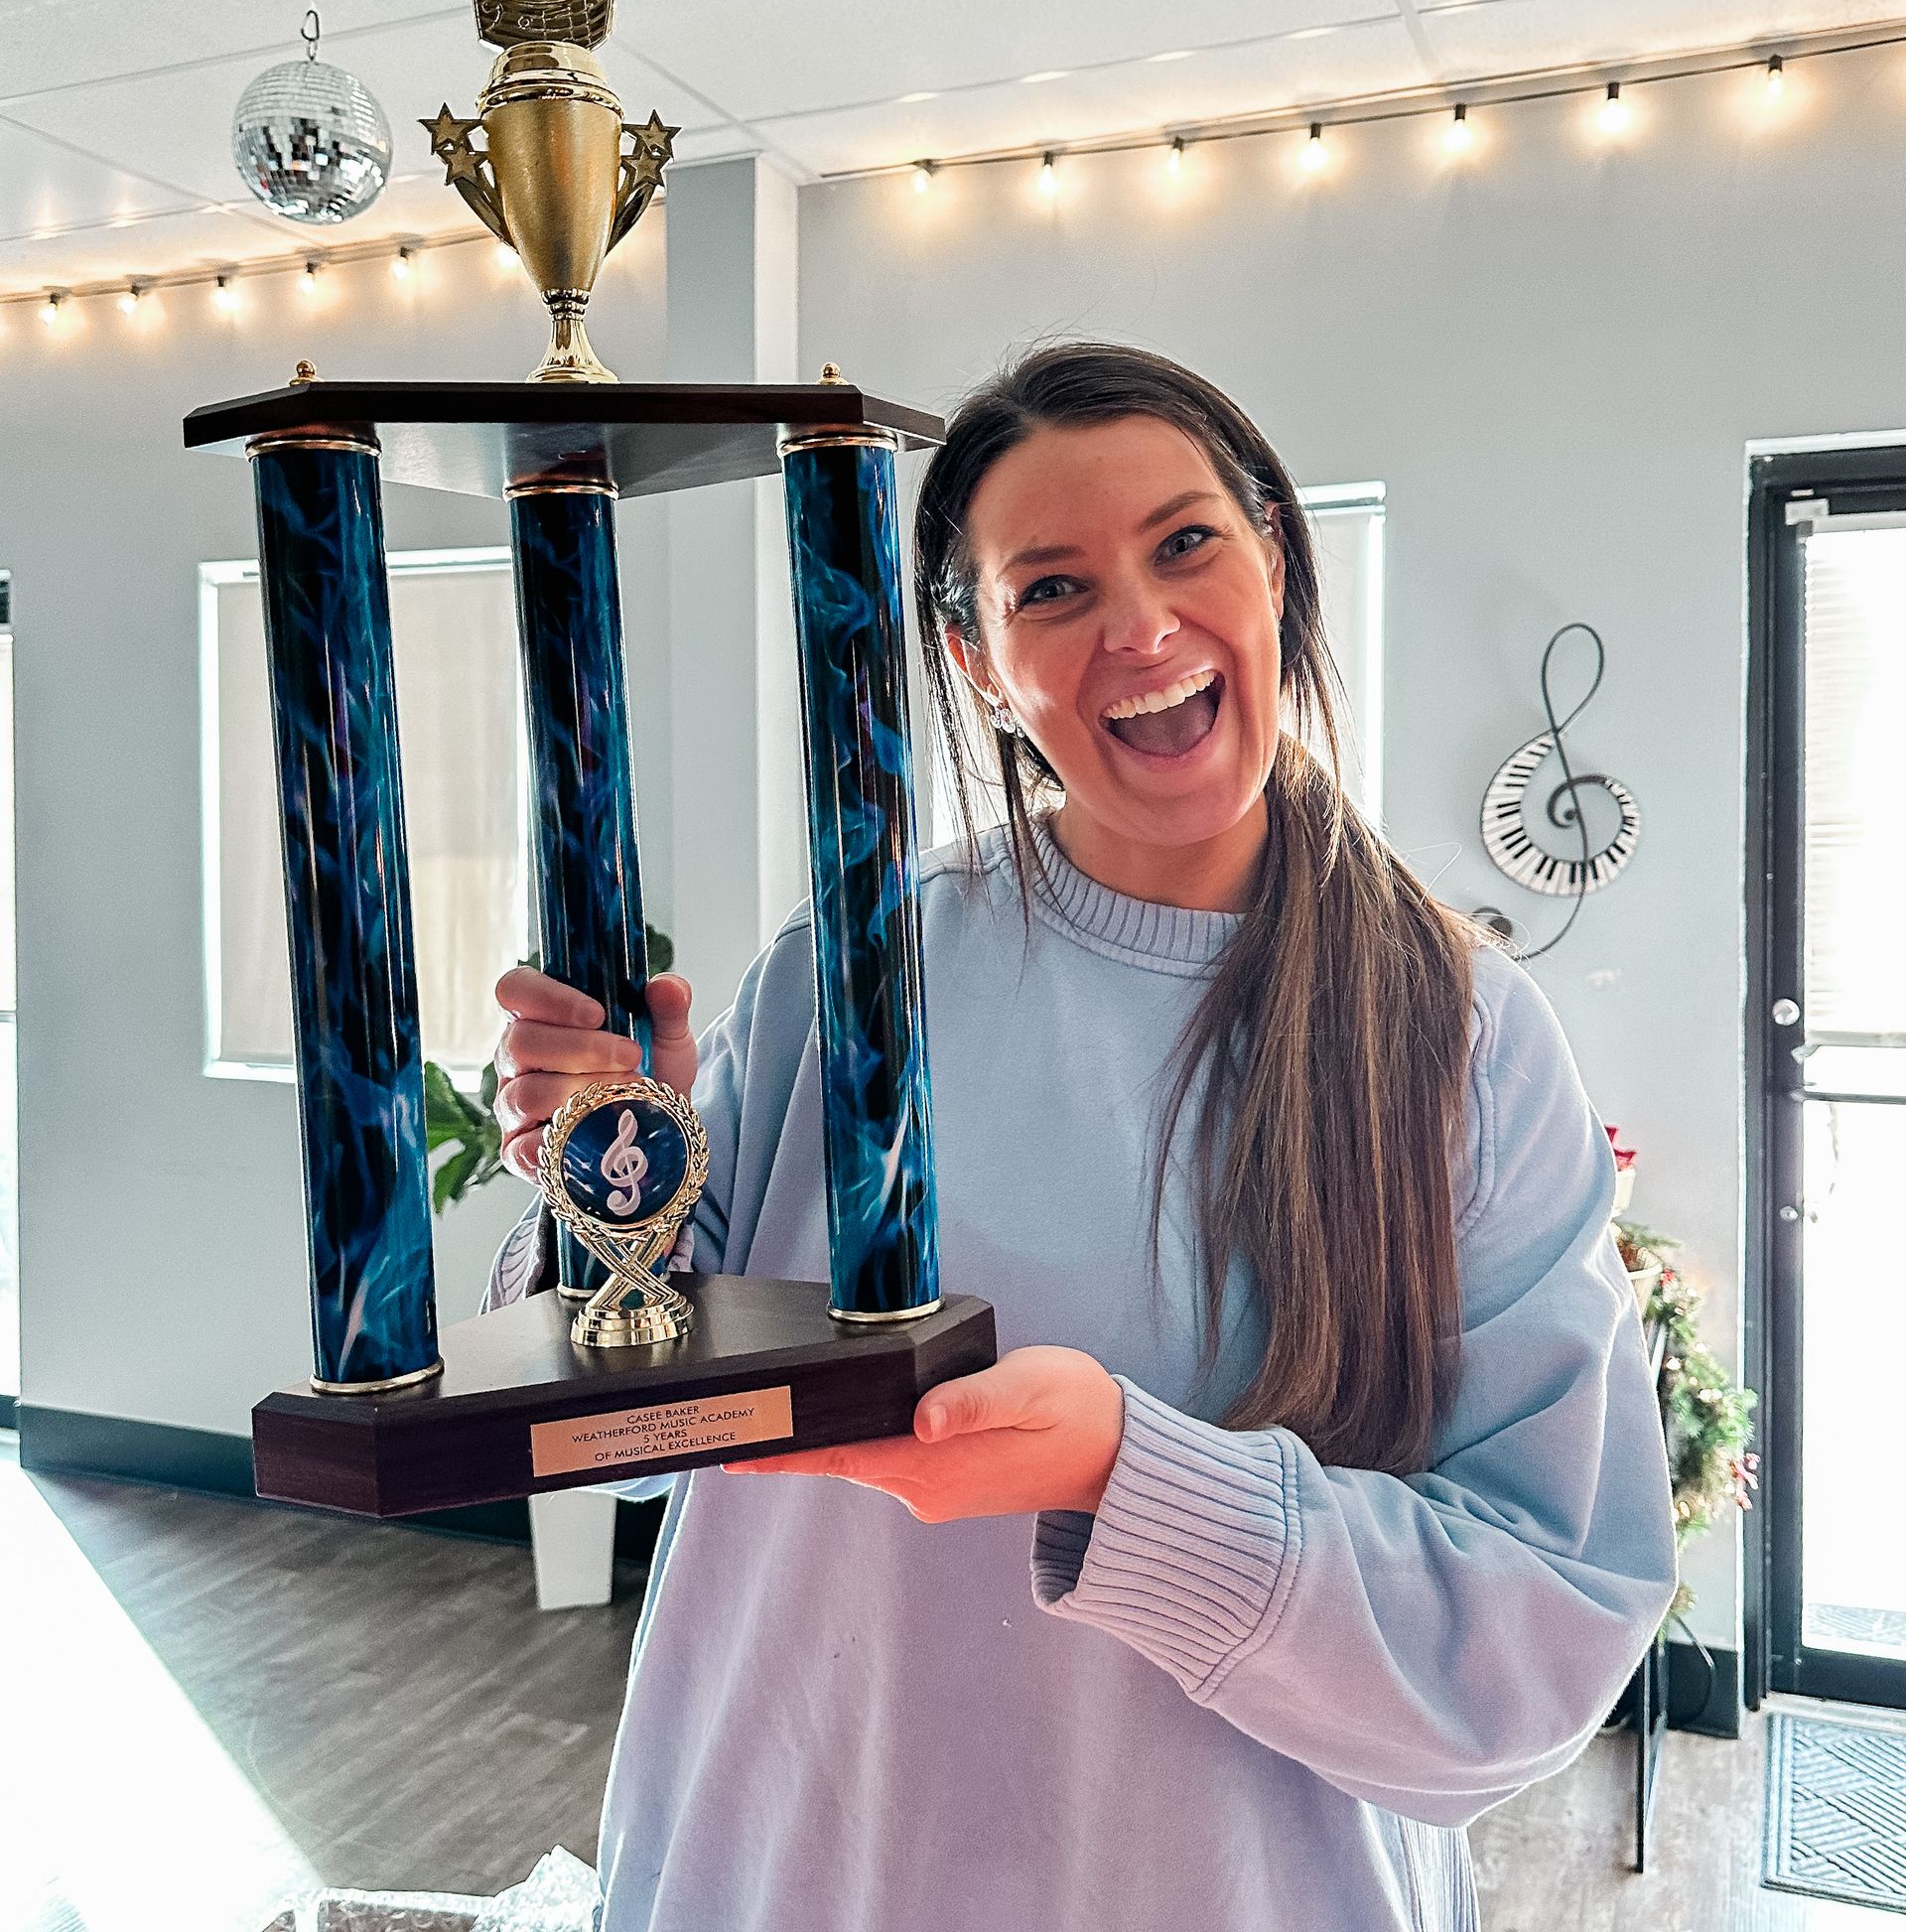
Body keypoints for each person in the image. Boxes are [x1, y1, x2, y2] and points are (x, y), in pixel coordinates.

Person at [488, 343, 1678, 1932]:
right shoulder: (857, 973)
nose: (1140, 626)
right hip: (775, 1865)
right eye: (1050, 588)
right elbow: (634, 1424)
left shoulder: (1455, 1035)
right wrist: (610, 1177)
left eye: (1185, 543)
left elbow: (1540, 1630)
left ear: (1273, 553)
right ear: (976, 661)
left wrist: (1129, 1481)